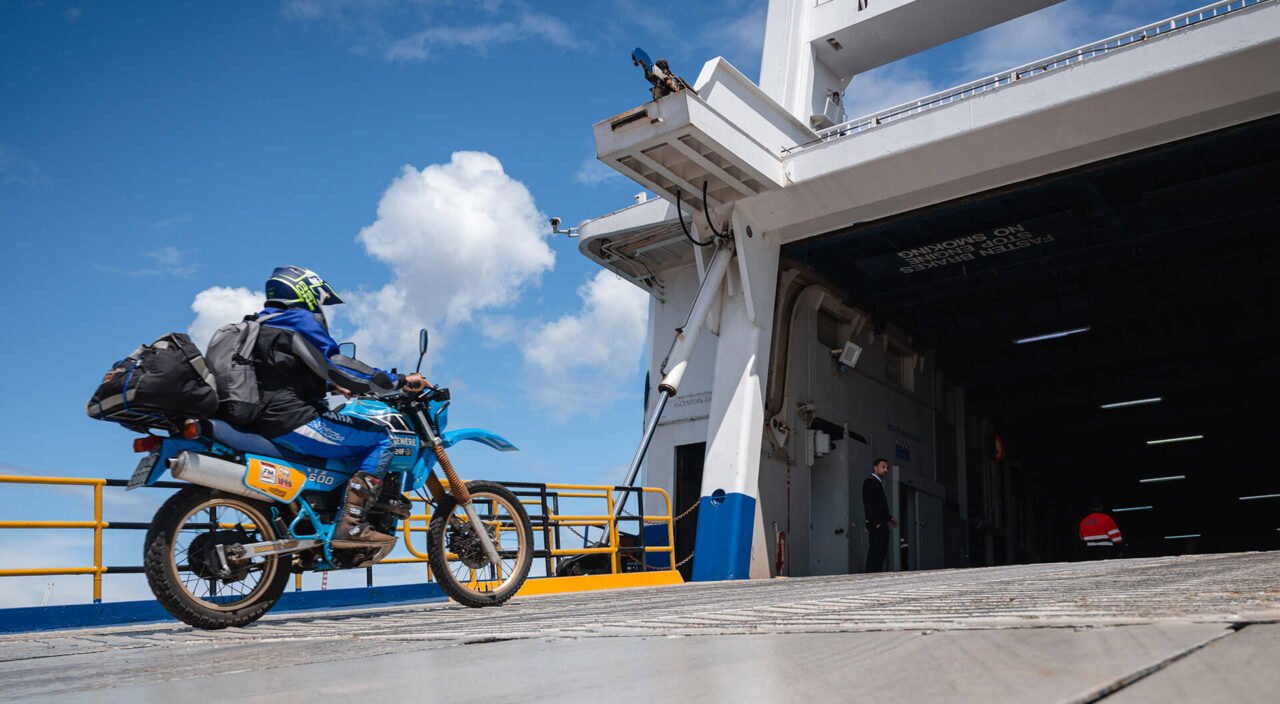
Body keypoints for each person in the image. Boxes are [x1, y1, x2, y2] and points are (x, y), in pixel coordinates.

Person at [245, 265, 428, 548]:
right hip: (292, 419)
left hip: (261, 418)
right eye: (318, 299)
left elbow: (280, 375)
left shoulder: (260, 324)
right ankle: (352, 525)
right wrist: (399, 380)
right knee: (381, 440)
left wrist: (331, 387)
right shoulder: (298, 319)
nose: (319, 307)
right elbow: (339, 364)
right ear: (303, 291)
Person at [862, 458, 898, 573]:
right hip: (876, 523)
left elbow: (880, 505)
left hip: (882, 522)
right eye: (883, 467)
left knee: (881, 551)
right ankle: (870, 576)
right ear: (875, 467)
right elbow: (869, 503)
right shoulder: (870, 482)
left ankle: (876, 575)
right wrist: (876, 521)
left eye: (887, 467)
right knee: (876, 551)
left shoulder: (880, 483)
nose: (885, 470)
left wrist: (889, 518)